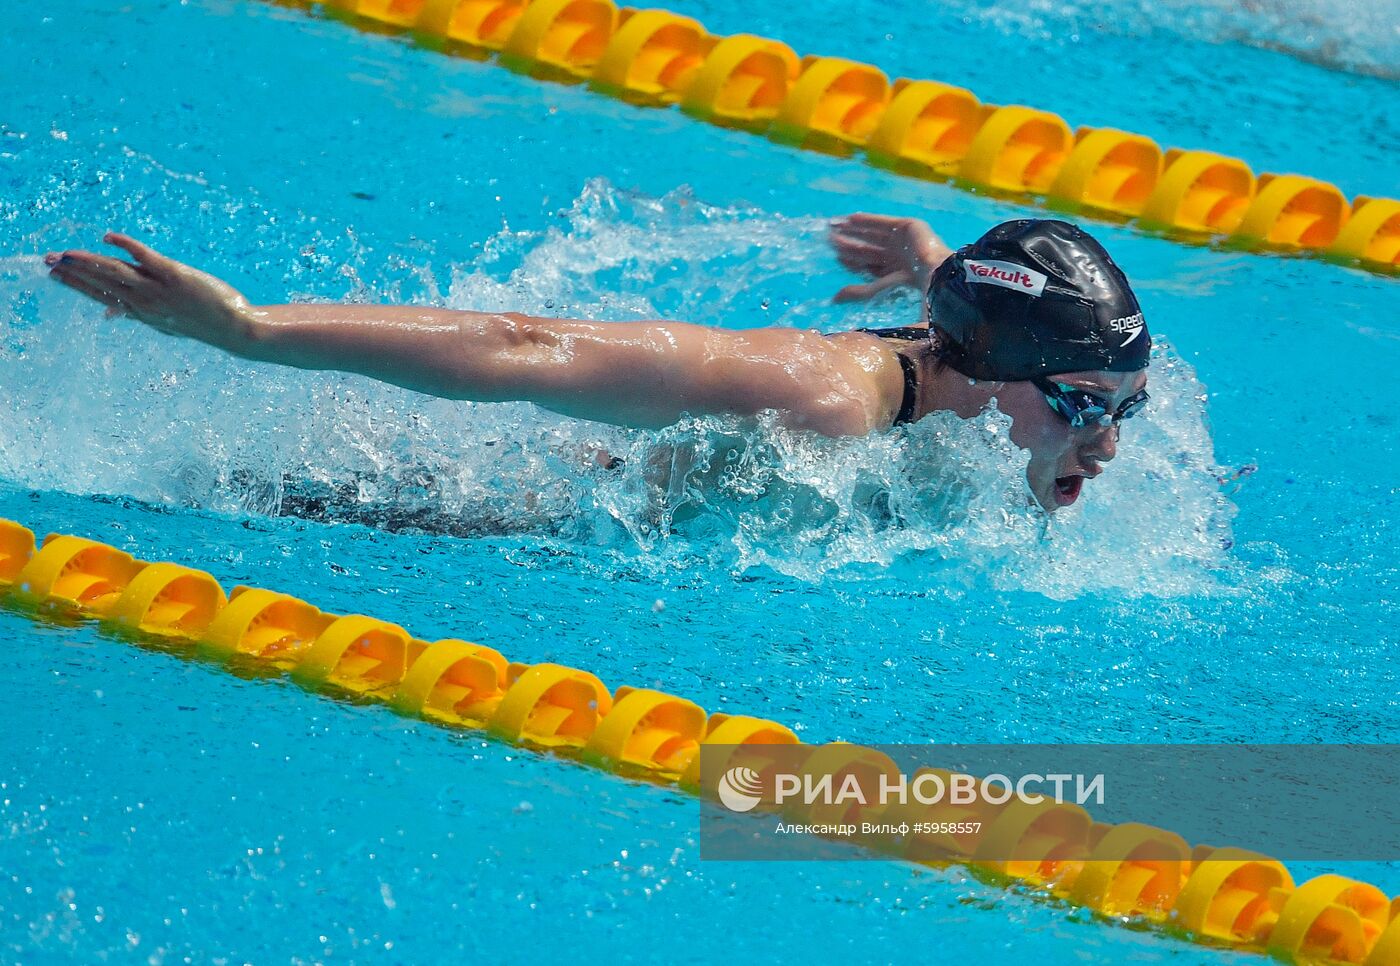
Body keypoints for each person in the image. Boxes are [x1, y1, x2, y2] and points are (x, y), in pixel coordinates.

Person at [44, 213, 1149, 511]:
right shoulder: (817, 400)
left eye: (1121, 408)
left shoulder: (974, 366)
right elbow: (531, 347)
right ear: (1000, 370)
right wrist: (252, 331)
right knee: (294, 501)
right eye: (1079, 405)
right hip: (520, 510)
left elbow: (976, 319)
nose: (1102, 442)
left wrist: (927, 257)